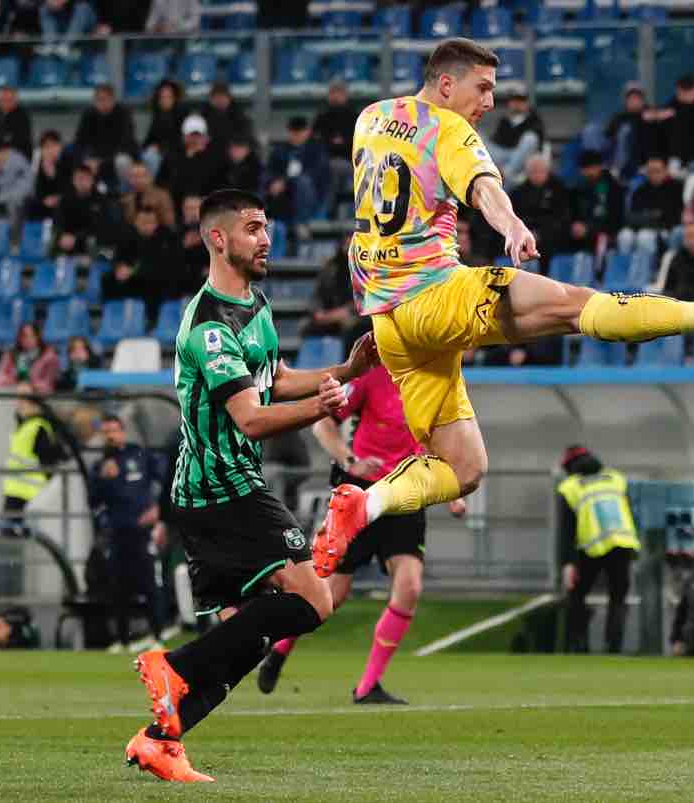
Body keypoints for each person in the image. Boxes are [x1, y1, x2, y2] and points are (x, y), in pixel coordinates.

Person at [310, 38, 694, 577]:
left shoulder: (371, 118)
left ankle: (363, 505)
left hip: (389, 324)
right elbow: (483, 187)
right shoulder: (449, 129)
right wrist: (512, 224)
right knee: (574, 307)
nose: (491, 102)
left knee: (465, 467)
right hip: (433, 294)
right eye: (484, 87)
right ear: (447, 83)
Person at [123, 190, 380, 782]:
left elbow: (277, 379)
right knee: (314, 600)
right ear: (219, 239)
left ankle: (164, 738)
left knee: (257, 626)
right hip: (220, 487)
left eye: (267, 228)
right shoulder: (209, 327)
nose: (266, 239)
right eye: (253, 229)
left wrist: (344, 372)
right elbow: (252, 417)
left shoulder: (254, 303)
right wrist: (323, 406)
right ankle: (175, 664)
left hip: (229, 486)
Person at [257, 363, 466, 701]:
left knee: (410, 586)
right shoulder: (372, 375)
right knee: (330, 595)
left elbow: (443, 443)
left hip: (407, 494)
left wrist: (455, 492)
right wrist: (349, 457)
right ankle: (280, 648)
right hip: (361, 494)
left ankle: (368, 686)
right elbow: (324, 423)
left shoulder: (436, 380)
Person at [89, 414, 167, 654]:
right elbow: (92, 501)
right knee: (118, 588)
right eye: (106, 432)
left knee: (151, 585)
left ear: (122, 432)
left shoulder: (140, 456)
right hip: (117, 533)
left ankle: (157, 636)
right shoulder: (99, 466)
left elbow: (164, 481)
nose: (111, 435)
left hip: (143, 532)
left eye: (114, 430)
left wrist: (158, 511)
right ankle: (123, 640)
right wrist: (103, 480)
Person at [556, 446, 640, 654]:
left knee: (577, 596)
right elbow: (630, 512)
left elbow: (567, 530)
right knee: (618, 598)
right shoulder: (616, 479)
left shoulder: (571, 487)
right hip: (622, 545)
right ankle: (614, 647)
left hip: (591, 548)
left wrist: (568, 563)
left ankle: (578, 645)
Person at [2, 383, 65, 521]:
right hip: (16, 490)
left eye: (23, 398)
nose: (18, 401)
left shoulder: (38, 427)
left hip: (30, 493)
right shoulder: (25, 425)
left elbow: (48, 460)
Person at [301, 235, 369, 351]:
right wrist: (322, 315)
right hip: (331, 317)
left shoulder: (367, 271)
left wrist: (346, 312)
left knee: (353, 327)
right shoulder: (330, 270)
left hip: (357, 319)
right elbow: (318, 304)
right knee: (307, 327)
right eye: (346, 247)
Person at [264, 116, 330, 233]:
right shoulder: (280, 151)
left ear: (307, 132)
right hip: (285, 196)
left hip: (311, 197)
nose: (296, 135)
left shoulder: (316, 150)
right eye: (293, 132)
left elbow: (316, 174)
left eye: (300, 132)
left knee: (302, 182)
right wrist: (274, 182)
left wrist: (285, 181)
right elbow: (270, 171)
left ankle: (301, 222)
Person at [510, 153, 572, 273]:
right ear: (527, 173)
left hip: (552, 235)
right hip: (526, 233)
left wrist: (541, 233)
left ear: (547, 171)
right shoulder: (518, 192)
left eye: (541, 171)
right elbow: (516, 217)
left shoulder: (559, 189)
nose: (537, 175)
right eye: (533, 171)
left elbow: (563, 216)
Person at [618, 155, 684, 256]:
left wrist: (649, 217)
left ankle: (647, 269)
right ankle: (626, 269)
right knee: (624, 235)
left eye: (657, 171)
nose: (653, 175)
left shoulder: (676, 188)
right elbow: (631, 216)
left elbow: (673, 216)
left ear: (665, 171)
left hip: (664, 230)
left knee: (644, 236)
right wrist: (651, 216)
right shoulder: (640, 190)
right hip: (641, 227)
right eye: (650, 171)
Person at [156, 115, 223, 213]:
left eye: (198, 135)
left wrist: (199, 156)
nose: (195, 139)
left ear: (206, 137)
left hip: (207, 205)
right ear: (184, 136)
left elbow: (219, 184)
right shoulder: (173, 156)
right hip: (177, 204)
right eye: (191, 135)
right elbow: (162, 181)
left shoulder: (215, 157)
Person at [313, 80, 363, 206]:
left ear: (345, 95)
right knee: (329, 170)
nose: (335, 96)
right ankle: (328, 211)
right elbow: (316, 141)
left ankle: (330, 210)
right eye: (332, 93)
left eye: (339, 93)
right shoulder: (322, 116)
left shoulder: (354, 116)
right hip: (325, 161)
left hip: (350, 161)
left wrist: (341, 143)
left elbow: (359, 142)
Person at [567, 150, 624, 253]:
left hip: (605, 232)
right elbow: (572, 211)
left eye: (592, 168)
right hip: (581, 232)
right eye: (586, 169)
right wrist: (575, 224)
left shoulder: (612, 187)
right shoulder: (577, 187)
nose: (589, 172)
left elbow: (615, 217)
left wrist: (589, 228)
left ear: (599, 167)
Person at [74, 84, 138, 174]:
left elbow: (126, 143)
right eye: (98, 100)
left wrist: (103, 162)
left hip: (117, 155)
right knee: (77, 158)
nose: (101, 103)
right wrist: (87, 157)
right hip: (95, 156)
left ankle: (124, 187)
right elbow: (80, 141)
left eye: (104, 99)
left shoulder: (123, 113)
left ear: (112, 100)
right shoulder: (88, 114)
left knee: (122, 161)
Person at [55, 163, 116, 256]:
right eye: (79, 179)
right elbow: (58, 220)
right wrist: (63, 235)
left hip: (92, 240)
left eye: (86, 179)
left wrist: (76, 237)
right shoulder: (66, 198)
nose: (83, 182)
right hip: (70, 240)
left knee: (93, 241)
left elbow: (100, 226)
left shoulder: (101, 199)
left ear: (92, 180)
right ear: (73, 181)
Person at [487, 90, 544, 184]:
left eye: (521, 101)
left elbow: (537, 143)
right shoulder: (505, 120)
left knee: (530, 138)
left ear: (527, 103)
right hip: (503, 155)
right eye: (514, 101)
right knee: (479, 137)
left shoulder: (533, 119)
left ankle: (504, 174)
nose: (517, 104)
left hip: (523, 158)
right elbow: (497, 141)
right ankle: (495, 173)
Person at [0, 323, 60, 393]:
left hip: (38, 398)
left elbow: (48, 385)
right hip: (13, 395)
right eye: (24, 336)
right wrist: (16, 382)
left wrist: (31, 385)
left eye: (32, 336)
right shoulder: (11, 354)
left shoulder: (50, 357)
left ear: (38, 337)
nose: (28, 339)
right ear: (19, 338)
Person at [142, 79, 187, 176]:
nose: (165, 100)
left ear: (175, 98)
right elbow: (149, 138)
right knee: (147, 155)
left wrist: (161, 148)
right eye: (162, 97)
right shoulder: (157, 115)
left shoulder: (182, 114)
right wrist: (150, 146)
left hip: (176, 152)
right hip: (159, 153)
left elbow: (182, 140)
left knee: (154, 157)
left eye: (168, 97)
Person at [199, 82, 254, 159]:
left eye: (223, 97)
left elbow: (245, 138)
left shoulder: (239, 116)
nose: (220, 101)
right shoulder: (202, 117)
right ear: (210, 99)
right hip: (210, 155)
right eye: (216, 98)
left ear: (229, 99)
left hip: (233, 155)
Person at [122, 160, 176, 231]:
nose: (138, 180)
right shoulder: (126, 199)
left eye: (141, 176)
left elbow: (169, 223)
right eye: (134, 176)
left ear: (150, 177)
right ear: (129, 179)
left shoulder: (162, 196)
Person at [0, 87, 32, 161]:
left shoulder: (22, 116)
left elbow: (19, 141)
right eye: (2, 100)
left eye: (8, 100)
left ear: (15, 101)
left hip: (17, 157)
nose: (5, 103)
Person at [28, 130, 66, 221]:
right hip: (40, 206)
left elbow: (70, 187)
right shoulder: (35, 165)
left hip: (62, 204)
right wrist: (43, 201)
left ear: (60, 147)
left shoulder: (67, 162)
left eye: (54, 146)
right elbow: (32, 190)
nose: (51, 150)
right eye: (47, 147)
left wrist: (59, 198)